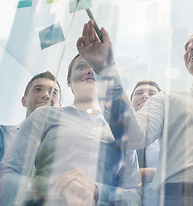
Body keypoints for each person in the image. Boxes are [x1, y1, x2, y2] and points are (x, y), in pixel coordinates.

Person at [77, 20, 193, 206]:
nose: (190, 48)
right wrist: (105, 70)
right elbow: (132, 137)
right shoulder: (165, 100)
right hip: (179, 197)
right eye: (186, 47)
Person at [0, 54, 141, 206]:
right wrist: (56, 190)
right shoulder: (44, 116)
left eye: (95, 67)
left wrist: (96, 191)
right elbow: (6, 178)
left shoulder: (121, 130)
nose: (90, 71)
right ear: (68, 81)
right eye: (82, 66)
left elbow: (134, 196)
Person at [0, 71, 61, 162]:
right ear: (24, 101)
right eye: (38, 89)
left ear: (59, 108)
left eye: (54, 93)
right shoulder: (3, 135)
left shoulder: (62, 149)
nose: (46, 95)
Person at [130, 80, 161, 206]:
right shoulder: (116, 134)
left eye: (152, 94)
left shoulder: (169, 137)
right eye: (138, 93)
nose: (144, 96)